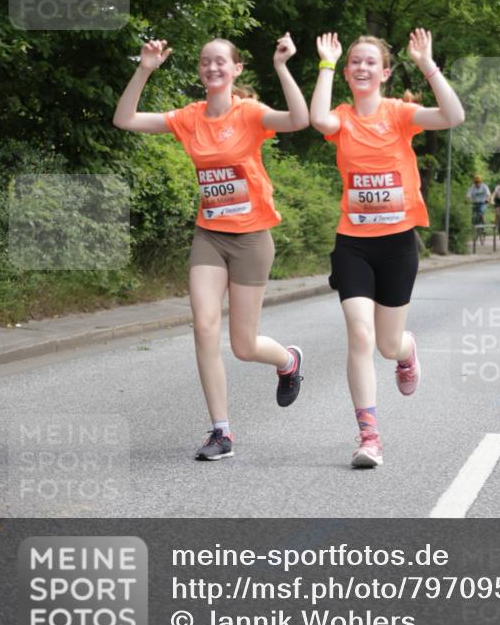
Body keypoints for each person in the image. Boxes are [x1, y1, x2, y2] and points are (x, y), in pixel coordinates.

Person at [113, 33, 309, 461]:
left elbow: (299, 119)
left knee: (244, 345)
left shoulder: (250, 113)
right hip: (210, 236)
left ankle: (288, 361)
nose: (212, 67)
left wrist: (281, 67)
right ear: (200, 71)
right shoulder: (189, 118)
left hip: (252, 238)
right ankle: (221, 432)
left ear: (236, 69)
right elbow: (125, 119)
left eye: (221, 61)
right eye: (205, 61)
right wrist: (144, 69)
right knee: (204, 326)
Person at [310, 28, 464, 468]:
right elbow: (318, 119)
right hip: (353, 244)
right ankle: (369, 437)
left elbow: (453, 116)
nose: (362, 67)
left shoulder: (398, 113)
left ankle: (406, 350)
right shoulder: (341, 118)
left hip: (397, 244)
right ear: (347, 73)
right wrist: (326, 64)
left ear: (385, 73)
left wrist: (427, 64)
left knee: (387, 344)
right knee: (360, 334)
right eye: (355, 62)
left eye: (370, 62)